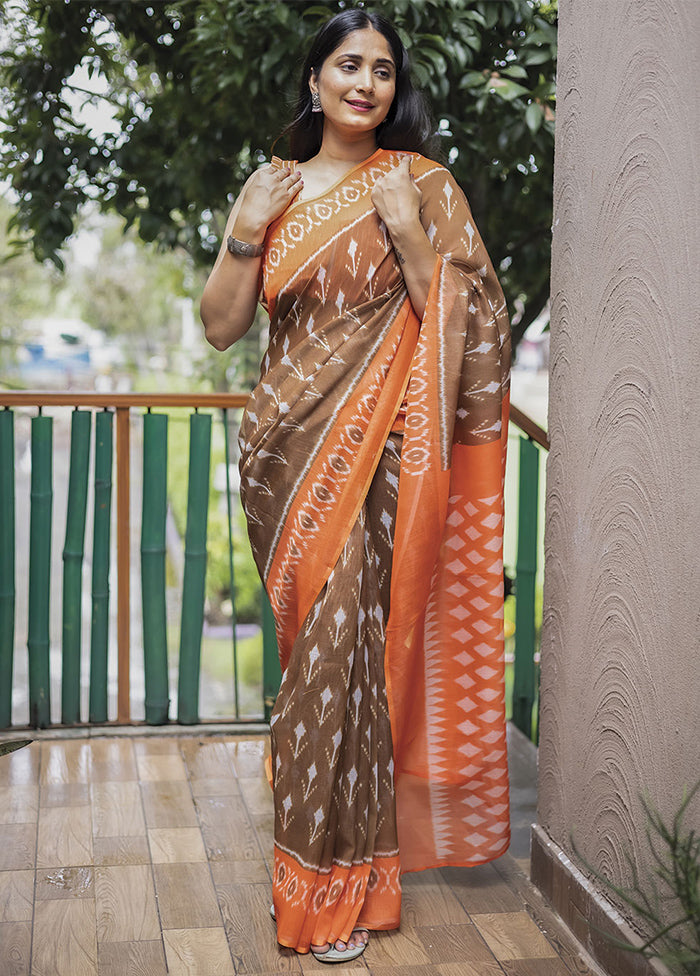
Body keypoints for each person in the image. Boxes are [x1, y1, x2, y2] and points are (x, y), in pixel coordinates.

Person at [201, 8, 511, 965]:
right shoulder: (273, 186)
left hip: (381, 460)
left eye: (381, 68)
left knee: (346, 662)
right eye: (347, 64)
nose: (365, 82)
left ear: (394, 87)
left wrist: (413, 236)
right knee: (318, 665)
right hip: (279, 458)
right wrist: (246, 231)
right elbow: (220, 328)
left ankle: (329, 892)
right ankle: (324, 873)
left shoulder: (421, 184)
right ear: (315, 79)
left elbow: (475, 327)